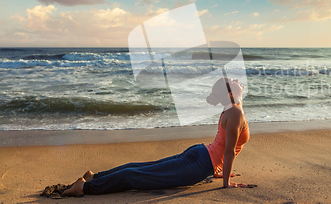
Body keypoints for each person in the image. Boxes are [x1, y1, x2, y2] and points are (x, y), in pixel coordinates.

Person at [62, 77, 252, 196]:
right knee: (138, 176)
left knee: (142, 168)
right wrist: (226, 183)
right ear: (230, 94)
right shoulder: (235, 112)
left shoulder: (234, 110)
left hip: (202, 156)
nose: (237, 80)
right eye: (233, 81)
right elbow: (228, 150)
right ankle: (85, 187)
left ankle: (94, 177)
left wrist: (218, 170)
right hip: (201, 163)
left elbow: (228, 146)